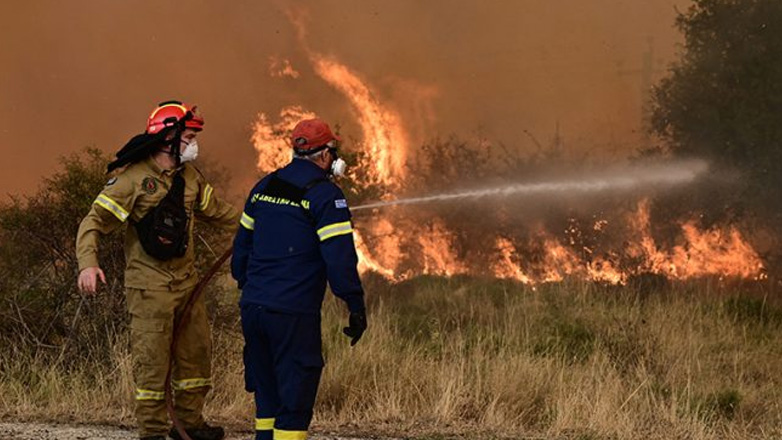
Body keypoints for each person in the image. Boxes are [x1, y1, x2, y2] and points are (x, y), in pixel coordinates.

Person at [76, 101, 239, 440]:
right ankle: (152, 432)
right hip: (149, 289)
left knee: (195, 358)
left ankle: (189, 426)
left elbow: (221, 213)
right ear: (170, 137)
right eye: (190, 136)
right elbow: (93, 222)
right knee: (152, 365)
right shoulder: (131, 180)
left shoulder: (190, 178)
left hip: (187, 285)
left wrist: (260, 221)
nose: (194, 143)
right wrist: (88, 264)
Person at [232, 118, 368, 440]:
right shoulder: (326, 196)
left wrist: (249, 284)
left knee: (267, 398)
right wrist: (355, 304)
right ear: (323, 156)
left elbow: (241, 249)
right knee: (294, 399)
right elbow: (340, 260)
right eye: (333, 152)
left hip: (253, 308)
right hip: (292, 312)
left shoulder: (264, 187)